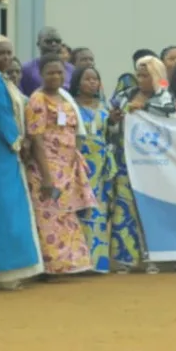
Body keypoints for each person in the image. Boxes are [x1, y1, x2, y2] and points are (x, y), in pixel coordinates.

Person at [0, 36, 44, 290]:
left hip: (5, 153)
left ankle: (13, 267)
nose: (5, 58)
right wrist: (18, 142)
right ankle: (4, 271)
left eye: (8, 53)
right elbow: (1, 116)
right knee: (2, 210)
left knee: (11, 207)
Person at [25, 54, 96, 275]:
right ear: (41, 75)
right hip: (47, 168)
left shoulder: (64, 98)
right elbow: (36, 138)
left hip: (67, 168)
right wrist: (46, 176)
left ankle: (71, 264)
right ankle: (52, 266)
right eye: (50, 73)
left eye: (59, 72)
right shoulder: (37, 100)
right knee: (49, 216)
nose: (55, 76)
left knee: (66, 214)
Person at [109, 55, 176, 273]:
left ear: (156, 76)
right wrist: (114, 120)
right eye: (138, 74)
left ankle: (154, 258)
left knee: (150, 208)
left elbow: (171, 124)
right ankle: (125, 258)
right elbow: (109, 125)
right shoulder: (122, 97)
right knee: (124, 207)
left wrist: (144, 108)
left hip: (153, 164)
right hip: (125, 161)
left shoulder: (165, 98)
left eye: (146, 75)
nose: (140, 79)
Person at [72, 65, 115, 272]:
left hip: (101, 163)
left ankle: (98, 262)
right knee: (81, 208)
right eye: (87, 79)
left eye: (95, 79)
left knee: (99, 210)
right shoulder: (71, 106)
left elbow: (110, 133)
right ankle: (80, 262)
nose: (92, 83)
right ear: (77, 83)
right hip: (79, 162)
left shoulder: (105, 106)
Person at [20, 27, 75, 95]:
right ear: (38, 44)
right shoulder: (27, 69)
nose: (53, 44)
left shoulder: (71, 69)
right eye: (48, 41)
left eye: (57, 41)